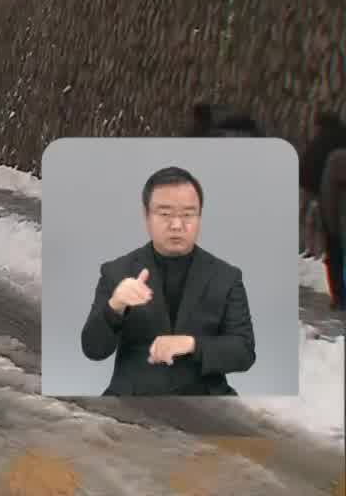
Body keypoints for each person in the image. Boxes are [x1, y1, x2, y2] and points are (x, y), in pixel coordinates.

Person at [78, 165, 256, 396]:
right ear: (146, 216)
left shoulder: (226, 276)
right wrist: (116, 306)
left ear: (200, 215)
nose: (176, 225)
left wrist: (191, 344)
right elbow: (93, 349)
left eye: (187, 214)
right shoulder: (117, 271)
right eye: (165, 214)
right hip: (133, 402)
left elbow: (244, 352)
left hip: (205, 405)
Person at [299, 111, 346, 310]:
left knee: (334, 252)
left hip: (328, 202)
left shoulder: (319, 146)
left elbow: (305, 173)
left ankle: (339, 297)